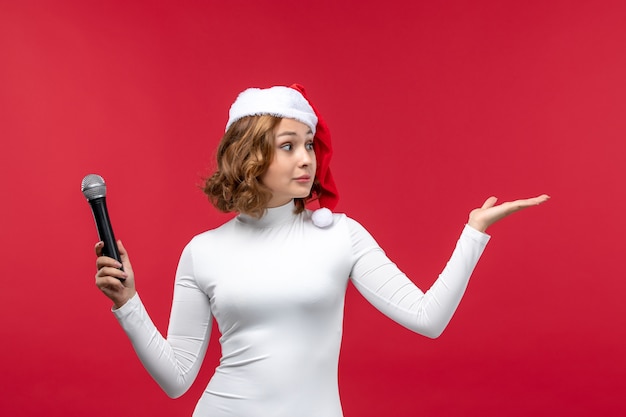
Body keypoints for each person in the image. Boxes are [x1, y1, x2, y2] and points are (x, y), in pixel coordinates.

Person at [94, 84, 549, 417]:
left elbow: (428, 318)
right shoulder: (203, 252)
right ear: (249, 157)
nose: (307, 159)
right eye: (288, 146)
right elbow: (176, 381)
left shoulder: (341, 236)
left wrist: (473, 233)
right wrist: (128, 303)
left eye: (308, 144)